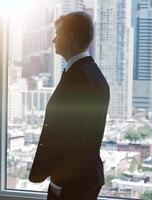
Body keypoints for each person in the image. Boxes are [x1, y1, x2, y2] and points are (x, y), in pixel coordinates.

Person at [29, 12, 110, 200]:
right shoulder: (93, 73)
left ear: (70, 37)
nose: (53, 40)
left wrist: (58, 181)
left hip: (73, 182)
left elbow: (75, 137)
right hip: (86, 177)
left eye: (57, 34)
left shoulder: (79, 77)